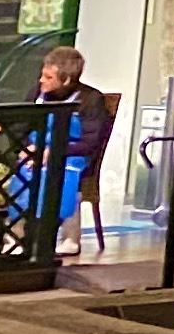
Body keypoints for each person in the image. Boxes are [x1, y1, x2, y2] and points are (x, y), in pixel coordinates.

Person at [31, 45, 119, 250]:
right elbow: (21, 126)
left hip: (74, 156)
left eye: (48, 77)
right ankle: (16, 236)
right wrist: (27, 149)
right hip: (37, 151)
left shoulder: (91, 100)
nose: (41, 81)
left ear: (67, 80)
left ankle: (69, 239)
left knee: (63, 173)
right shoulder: (36, 94)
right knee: (21, 171)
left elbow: (90, 142)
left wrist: (56, 151)